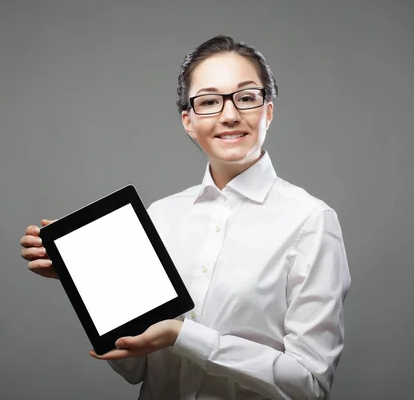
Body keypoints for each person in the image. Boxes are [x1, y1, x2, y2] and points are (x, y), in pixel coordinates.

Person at [19, 35, 352, 400]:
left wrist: (183, 336)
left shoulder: (310, 222)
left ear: (267, 111)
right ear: (188, 121)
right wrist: (85, 278)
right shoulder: (160, 217)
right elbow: (135, 367)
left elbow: (310, 385)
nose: (229, 115)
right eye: (209, 101)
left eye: (245, 97)